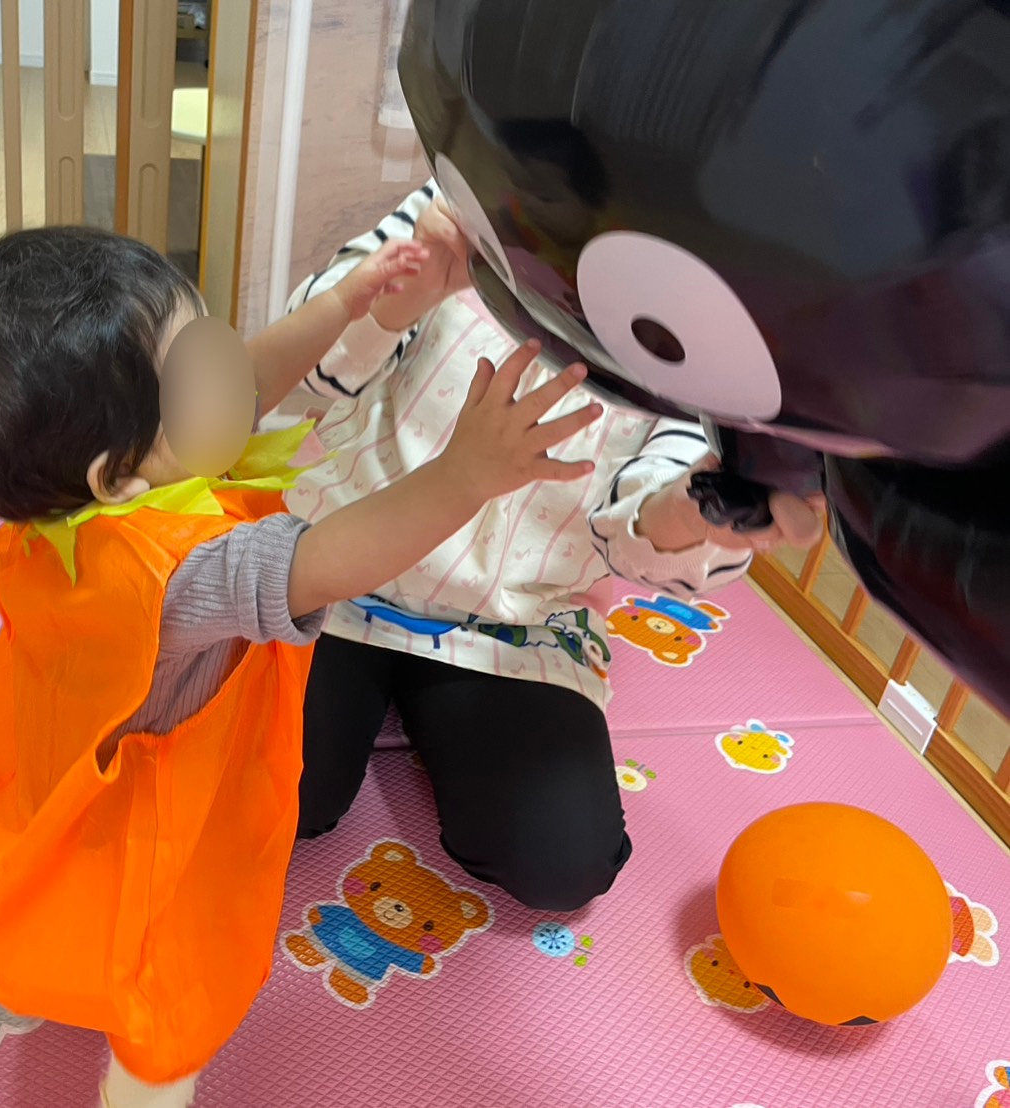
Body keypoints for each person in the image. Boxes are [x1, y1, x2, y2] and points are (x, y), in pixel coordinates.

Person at [0, 225, 603, 1108]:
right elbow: (332, 558)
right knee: (170, 992)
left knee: (71, 913)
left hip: (62, 752)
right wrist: (464, 476)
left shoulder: (88, 496)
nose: (229, 376)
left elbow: (245, 382)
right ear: (117, 475)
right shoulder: (181, 574)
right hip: (154, 827)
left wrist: (345, 302)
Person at [280, 182, 822, 913]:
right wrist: (407, 292)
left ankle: (421, 708)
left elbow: (638, 524)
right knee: (280, 798)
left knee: (562, 861)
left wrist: (700, 512)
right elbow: (307, 369)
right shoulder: (475, 190)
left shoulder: (710, 325)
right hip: (342, 565)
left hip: (515, 623)